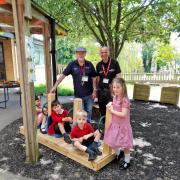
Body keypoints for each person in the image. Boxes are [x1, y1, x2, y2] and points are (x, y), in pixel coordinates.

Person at [50, 47, 97, 123]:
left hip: (89, 94)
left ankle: (88, 125)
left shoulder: (89, 64)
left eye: (82, 53)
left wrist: (95, 90)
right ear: (76, 54)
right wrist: (55, 86)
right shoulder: (72, 64)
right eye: (79, 53)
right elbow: (62, 76)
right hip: (78, 96)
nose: (80, 55)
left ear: (85, 54)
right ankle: (82, 127)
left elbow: (94, 77)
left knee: (89, 110)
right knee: (81, 113)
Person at [104, 77, 133, 169]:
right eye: (114, 87)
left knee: (125, 144)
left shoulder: (125, 100)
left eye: (118, 87)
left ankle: (127, 161)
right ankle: (118, 154)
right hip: (115, 124)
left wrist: (112, 111)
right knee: (114, 140)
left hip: (123, 126)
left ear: (123, 88)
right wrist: (111, 104)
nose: (115, 89)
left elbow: (123, 114)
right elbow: (114, 105)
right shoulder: (115, 97)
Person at [96, 47, 121, 117]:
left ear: (108, 53)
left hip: (112, 91)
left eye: (105, 52)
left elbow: (119, 77)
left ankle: (113, 126)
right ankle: (105, 125)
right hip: (101, 92)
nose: (104, 54)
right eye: (102, 52)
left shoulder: (115, 63)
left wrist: (119, 91)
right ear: (100, 54)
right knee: (102, 109)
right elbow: (97, 79)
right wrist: (96, 90)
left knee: (112, 109)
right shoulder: (98, 65)